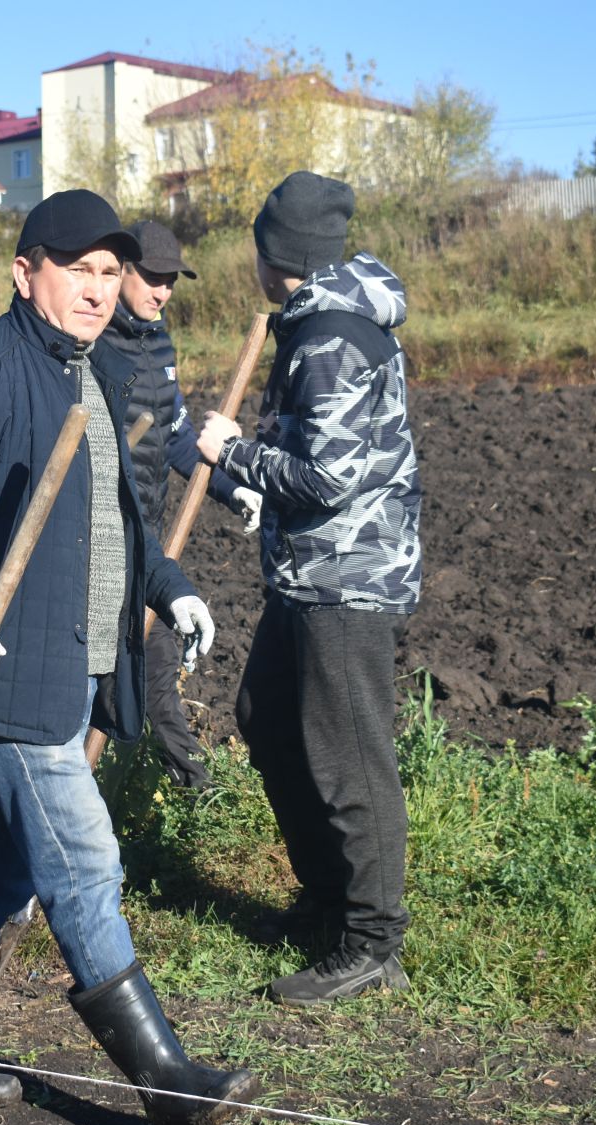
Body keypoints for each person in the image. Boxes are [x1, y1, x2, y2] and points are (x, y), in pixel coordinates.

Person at [0, 190, 258, 1125]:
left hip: (77, 663)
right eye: (76, 269)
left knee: (1, 860)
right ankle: (165, 1083)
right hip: (2, 667)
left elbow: (113, 518)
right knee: (84, 858)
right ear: (24, 272)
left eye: (108, 271)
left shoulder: (95, 377)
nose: (96, 288)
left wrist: (169, 586)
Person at [194, 172, 422, 1005]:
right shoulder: (316, 323)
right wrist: (256, 467)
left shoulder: (328, 333)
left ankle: (371, 943)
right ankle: (329, 902)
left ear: (274, 254)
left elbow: (327, 476)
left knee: (349, 753)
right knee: (267, 716)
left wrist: (232, 454)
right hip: (310, 572)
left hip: (346, 574)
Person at [100, 220, 262, 792]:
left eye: (171, 281)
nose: (162, 291)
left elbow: (172, 435)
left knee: (158, 667)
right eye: (153, 278)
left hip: (145, 538)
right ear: (121, 270)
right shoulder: (92, 340)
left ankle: (197, 792)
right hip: (95, 536)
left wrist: (229, 486)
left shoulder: (157, 340)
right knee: (99, 678)